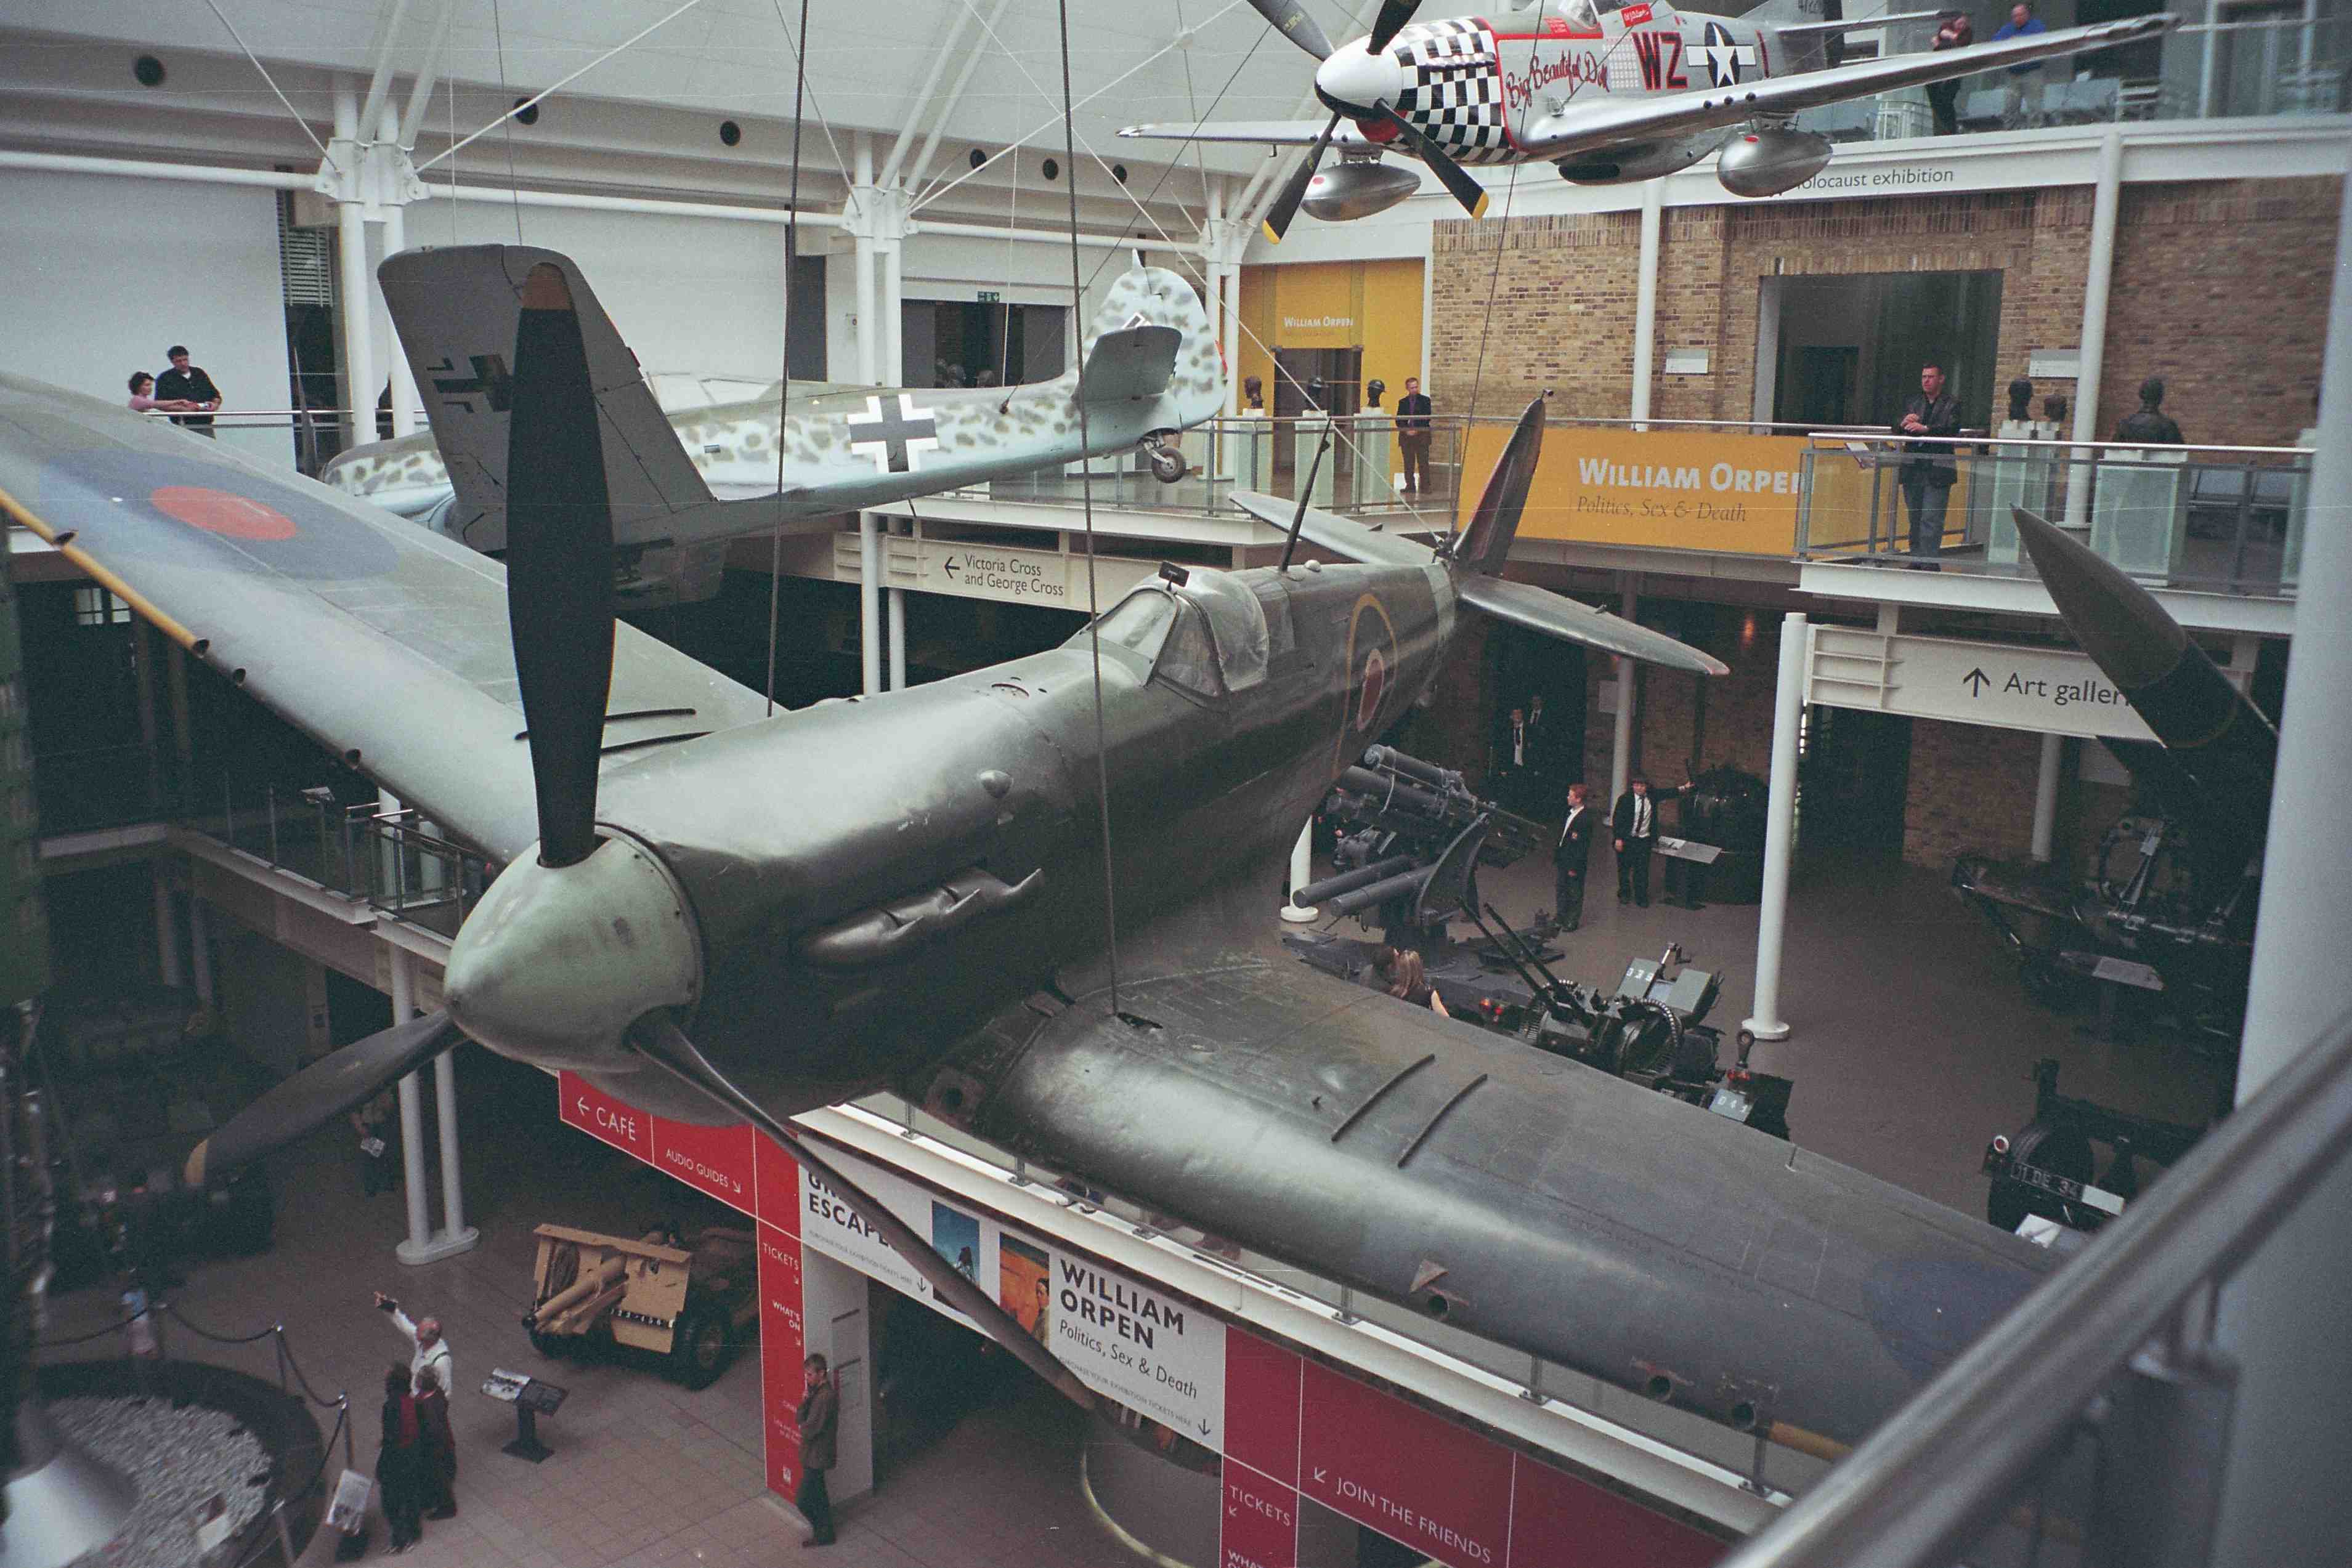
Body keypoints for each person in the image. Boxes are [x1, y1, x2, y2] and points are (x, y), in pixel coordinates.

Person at [1891, 362, 1962, 566]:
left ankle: (1929, 561)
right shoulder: (1913, 402)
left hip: (1938, 468)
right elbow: (1895, 427)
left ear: (1941, 379)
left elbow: (1952, 429)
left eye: (1931, 377)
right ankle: (1916, 558)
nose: (1926, 381)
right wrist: (1903, 423)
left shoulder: (1952, 403)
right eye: (1924, 377)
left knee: (1932, 517)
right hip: (1913, 467)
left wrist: (1926, 429)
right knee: (1915, 517)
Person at [1612, 777, 1690, 908]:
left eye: (1642, 786)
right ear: (1633, 786)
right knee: (1624, 869)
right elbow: (1617, 819)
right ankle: (1624, 893)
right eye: (1636, 785)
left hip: (1644, 840)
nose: (1639, 788)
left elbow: (1667, 793)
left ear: (1647, 787)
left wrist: (1684, 788)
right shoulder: (1625, 799)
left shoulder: (1652, 796)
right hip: (1628, 839)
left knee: (1642, 871)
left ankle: (1641, 897)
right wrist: (1618, 839)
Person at [376, 1364, 426, 1553]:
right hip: (412, 1455)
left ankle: (400, 1540)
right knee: (411, 1494)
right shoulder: (413, 1403)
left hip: (397, 1459)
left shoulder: (390, 1407)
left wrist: (382, 1466)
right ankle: (414, 1531)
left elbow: (391, 1438)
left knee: (391, 1502)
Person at [796, 1353, 840, 1547]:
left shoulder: (825, 1398)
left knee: (803, 1500)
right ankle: (826, 1532)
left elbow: (809, 1428)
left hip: (817, 1456)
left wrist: (803, 1426)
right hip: (813, 1454)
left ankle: (822, 1532)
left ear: (821, 1374)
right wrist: (805, 1403)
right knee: (820, 1495)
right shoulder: (816, 1394)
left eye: (810, 1375)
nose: (807, 1379)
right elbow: (800, 1420)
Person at [374, 1291, 453, 1396]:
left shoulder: (441, 1362)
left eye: (419, 1332)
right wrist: (389, 1307)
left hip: (422, 1403)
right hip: (413, 1395)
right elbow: (406, 1326)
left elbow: (444, 1392)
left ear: (429, 1338)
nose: (415, 1333)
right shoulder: (423, 1340)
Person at [1991, 4, 2049, 126]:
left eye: (2020, 15)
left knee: (2035, 106)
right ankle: (2010, 131)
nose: (2017, 18)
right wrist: (2008, 41)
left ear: (2027, 15)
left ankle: (2036, 132)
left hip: (2033, 72)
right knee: (2010, 106)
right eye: (2014, 16)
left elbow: (2042, 41)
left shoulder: (2037, 26)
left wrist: (2019, 39)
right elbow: (1995, 43)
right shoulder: (2007, 29)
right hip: (2013, 73)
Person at [414, 1364, 457, 1520]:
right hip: (442, 1444)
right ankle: (429, 1500)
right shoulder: (438, 1394)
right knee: (433, 1475)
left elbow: (432, 1429)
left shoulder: (426, 1405)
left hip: (435, 1448)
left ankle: (447, 1507)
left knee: (439, 1477)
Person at [1554, 783, 1596, 932]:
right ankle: (1561, 915)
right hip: (1564, 858)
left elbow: (1581, 847)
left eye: (1570, 795)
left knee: (1574, 892)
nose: (1568, 797)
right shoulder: (1569, 813)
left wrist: (1574, 867)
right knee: (1561, 888)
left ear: (1578, 799)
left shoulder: (1585, 819)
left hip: (1574, 862)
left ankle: (1572, 920)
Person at [152, 346, 222, 435]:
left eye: (185, 360)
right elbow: (159, 404)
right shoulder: (165, 378)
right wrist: (183, 409)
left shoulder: (199, 373)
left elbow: (216, 395)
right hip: (182, 424)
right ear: (172, 362)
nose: (183, 364)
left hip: (205, 423)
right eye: (179, 361)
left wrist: (215, 405)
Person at [1926, 12, 1974, 135]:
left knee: (1946, 101)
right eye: (1960, 23)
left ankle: (1949, 130)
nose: (1962, 26)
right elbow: (1943, 34)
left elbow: (1961, 44)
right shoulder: (1946, 25)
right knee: (1937, 103)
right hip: (1939, 70)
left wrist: (1943, 42)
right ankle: (1942, 131)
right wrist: (1952, 38)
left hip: (1954, 72)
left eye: (1964, 23)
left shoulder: (1968, 32)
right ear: (1954, 22)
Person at [1372, 947, 1450, 1016]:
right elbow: (1446, 1019)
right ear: (1419, 967)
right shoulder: (1428, 992)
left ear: (1400, 969)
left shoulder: (1394, 991)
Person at [2111, 376, 2184, 445]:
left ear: (2141, 395)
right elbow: (2178, 452)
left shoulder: (2124, 425)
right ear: (2160, 397)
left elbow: (2113, 451)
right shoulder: (2169, 426)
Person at [349, 1089, 395, 1197]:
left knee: (383, 1153)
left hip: (381, 1123)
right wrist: (360, 1126)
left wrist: (386, 1107)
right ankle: (371, 1185)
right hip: (368, 1125)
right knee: (370, 1157)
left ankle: (384, 1182)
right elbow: (354, 1110)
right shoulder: (360, 1090)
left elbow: (389, 1101)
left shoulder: (380, 1088)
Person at [1396, 377, 1434, 495]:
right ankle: (1410, 486)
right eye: (1412, 388)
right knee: (1408, 463)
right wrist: (1407, 430)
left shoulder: (1425, 401)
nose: (1415, 390)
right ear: (1407, 388)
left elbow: (1427, 417)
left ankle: (1425, 486)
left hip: (1422, 436)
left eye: (1416, 387)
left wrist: (1417, 429)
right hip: (1407, 437)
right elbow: (1399, 420)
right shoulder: (1403, 402)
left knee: (1423, 462)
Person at [125, 372, 196, 414]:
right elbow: (154, 404)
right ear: (138, 387)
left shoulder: (143, 400)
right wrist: (179, 401)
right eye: (147, 385)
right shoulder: (137, 400)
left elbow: (161, 406)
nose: (150, 388)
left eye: (150, 385)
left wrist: (183, 409)